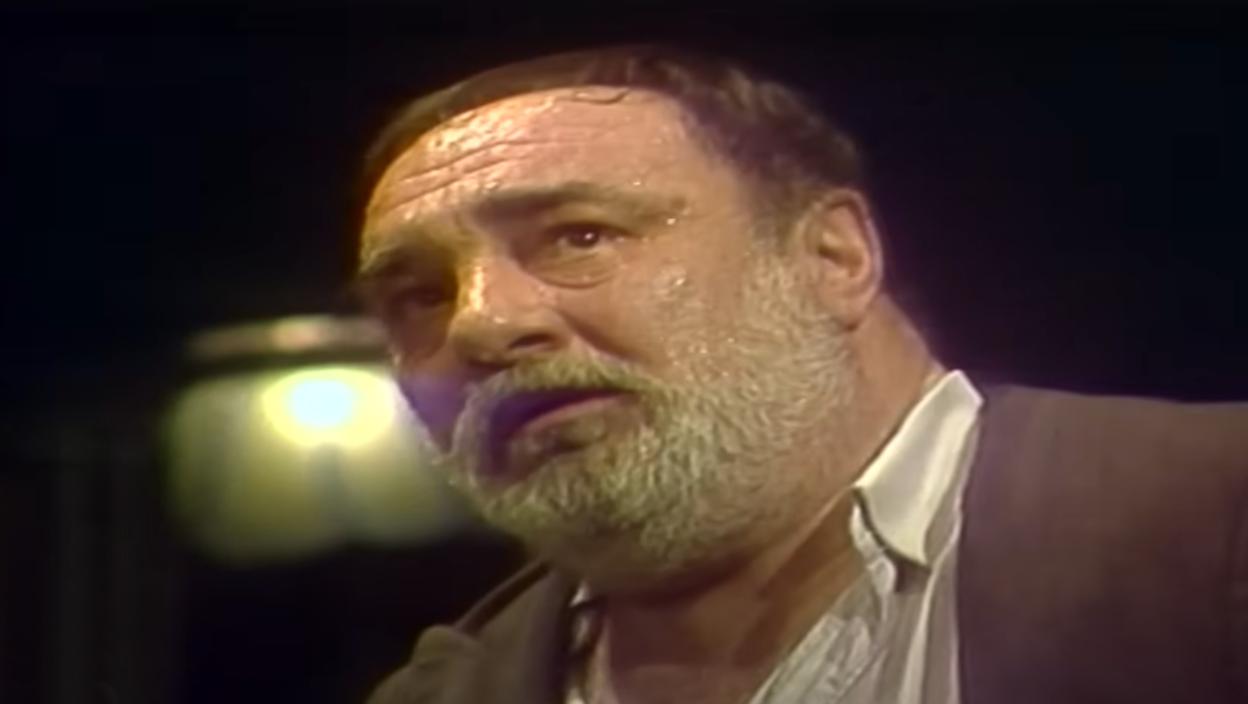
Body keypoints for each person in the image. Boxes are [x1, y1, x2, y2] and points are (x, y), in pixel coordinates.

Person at [352, 45, 1248, 704]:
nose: (482, 323)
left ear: (833, 256)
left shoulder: (1213, 518)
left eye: (580, 236)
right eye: (418, 294)